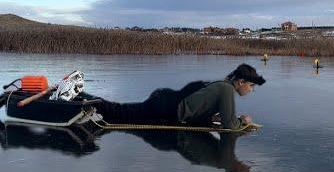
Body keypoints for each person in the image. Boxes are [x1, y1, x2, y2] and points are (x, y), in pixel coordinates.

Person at [85, 64, 265, 129]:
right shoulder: (226, 90)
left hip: (165, 103)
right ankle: (79, 98)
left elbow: (201, 107)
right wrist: (244, 121)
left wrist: (214, 116)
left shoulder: (222, 85)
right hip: (165, 107)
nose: (251, 90)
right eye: (251, 86)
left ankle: (82, 99)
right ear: (241, 82)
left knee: (120, 111)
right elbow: (230, 124)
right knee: (118, 113)